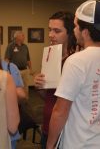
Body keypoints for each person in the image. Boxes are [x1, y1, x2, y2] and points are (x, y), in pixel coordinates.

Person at [47, 0, 100, 149]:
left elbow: (60, 111)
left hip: (82, 144)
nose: (74, 30)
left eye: (76, 26)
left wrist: (50, 145)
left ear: (85, 32)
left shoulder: (76, 61)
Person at [34, 11, 77, 149]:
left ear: (70, 33)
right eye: (50, 30)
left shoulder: (75, 62)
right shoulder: (51, 56)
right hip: (48, 126)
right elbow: (49, 96)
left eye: (57, 31)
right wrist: (40, 86)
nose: (50, 35)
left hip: (66, 131)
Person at [1, 60, 26, 149]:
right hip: (6, 131)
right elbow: (22, 95)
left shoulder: (9, 67)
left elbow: (22, 96)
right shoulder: (9, 68)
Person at [5, 30, 33, 97]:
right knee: (15, 87)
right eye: (22, 35)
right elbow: (6, 59)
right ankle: (16, 102)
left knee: (25, 87)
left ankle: (25, 101)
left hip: (24, 70)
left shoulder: (25, 46)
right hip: (15, 71)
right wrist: (7, 71)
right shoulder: (10, 46)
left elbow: (28, 59)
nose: (24, 37)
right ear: (17, 37)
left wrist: (31, 69)